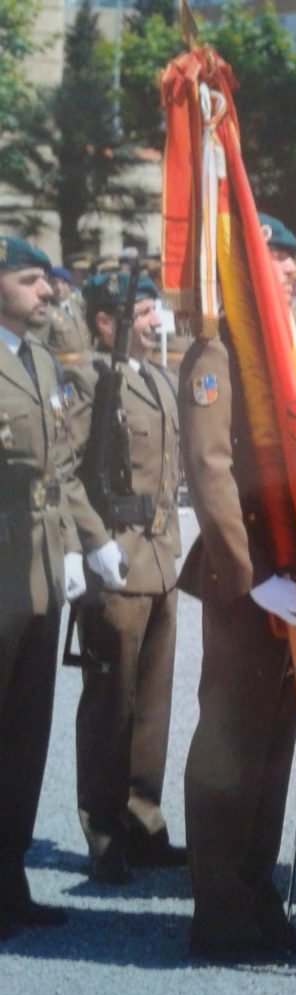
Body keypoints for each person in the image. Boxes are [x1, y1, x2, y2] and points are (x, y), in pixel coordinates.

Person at [177, 212, 296, 963]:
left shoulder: (289, 349)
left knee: (276, 746)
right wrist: (252, 579)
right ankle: (220, 913)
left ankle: (255, 893)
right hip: (248, 579)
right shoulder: (217, 353)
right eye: (278, 259)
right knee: (232, 745)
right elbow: (209, 474)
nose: (293, 271)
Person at [63, 271, 185, 884]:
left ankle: (145, 820)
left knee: (153, 704)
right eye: (140, 311)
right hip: (115, 559)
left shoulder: (156, 378)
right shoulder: (89, 379)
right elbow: (64, 471)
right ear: (106, 322)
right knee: (111, 703)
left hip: (160, 558)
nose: (153, 319)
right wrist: (92, 543)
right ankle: (106, 833)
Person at [0, 235, 87, 937]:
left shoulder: (38, 359)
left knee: (26, 733)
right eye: (29, 280)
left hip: (40, 565)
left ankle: (9, 878)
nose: (47, 292)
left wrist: (84, 546)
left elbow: (60, 460)